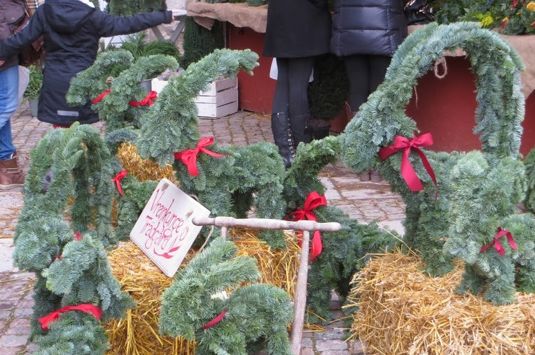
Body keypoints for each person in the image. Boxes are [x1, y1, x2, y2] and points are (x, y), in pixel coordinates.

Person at [0, 0, 173, 133]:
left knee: (60, 136)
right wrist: (163, 16)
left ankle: (60, 174)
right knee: (81, 136)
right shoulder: (92, 16)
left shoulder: (45, 12)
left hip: (56, 83)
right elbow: (127, 23)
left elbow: (20, 39)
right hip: (83, 83)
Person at [331, 0, 407, 180]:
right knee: (380, 95)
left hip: (349, 25)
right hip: (384, 24)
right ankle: (378, 158)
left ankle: (362, 160)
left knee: (356, 92)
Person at [264, 0, 331, 168]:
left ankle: (285, 153)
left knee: (284, 86)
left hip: (280, 17)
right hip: (303, 21)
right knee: (297, 86)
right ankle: (301, 152)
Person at [0, 0, 34, 188]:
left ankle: (7, 166)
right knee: (7, 105)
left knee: (2, 106)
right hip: (4, 55)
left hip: (7, 54)